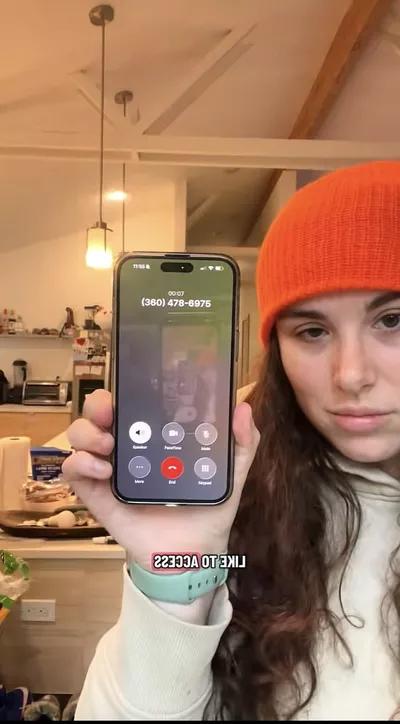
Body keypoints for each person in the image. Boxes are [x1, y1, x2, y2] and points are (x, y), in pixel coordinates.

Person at [62, 160, 400, 721]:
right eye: (312, 331)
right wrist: (174, 580)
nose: (351, 375)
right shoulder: (243, 509)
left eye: (392, 320)